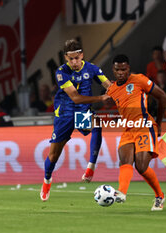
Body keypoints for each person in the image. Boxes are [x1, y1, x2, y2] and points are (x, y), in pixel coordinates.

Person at [40, 39, 111, 201]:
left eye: (76, 58)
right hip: (65, 114)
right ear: (66, 57)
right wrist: (101, 97)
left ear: (82, 55)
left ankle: (90, 167)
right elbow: (76, 98)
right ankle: (47, 180)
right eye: (70, 59)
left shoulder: (92, 68)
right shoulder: (61, 72)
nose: (74, 62)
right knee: (53, 156)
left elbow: (109, 85)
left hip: (82, 113)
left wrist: (120, 90)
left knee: (97, 124)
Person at [106, 54, 166, 211]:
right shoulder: (112, 89)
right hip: (128, 129)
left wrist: (159, 123)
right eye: (117, 70)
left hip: (145, 126)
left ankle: (160, 196)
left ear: (129, 69)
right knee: (125, 161)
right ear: (113, 70)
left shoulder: (139, 79)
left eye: (123, 69)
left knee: (141, 166)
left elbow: (162, 97)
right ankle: (122, 192)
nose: (120, 73)